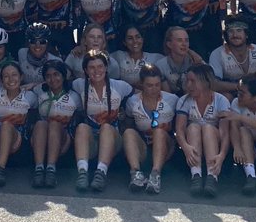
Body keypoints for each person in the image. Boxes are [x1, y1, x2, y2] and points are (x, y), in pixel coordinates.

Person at [73, 50, 132, 192]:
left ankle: (101, 172)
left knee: (106, 128)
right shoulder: (79, 85)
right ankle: (82, 172)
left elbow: (138, 95)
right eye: (92, 68)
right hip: (91, 141)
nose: (96, 71)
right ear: (86, 70)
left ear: (106, 68)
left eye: (100, 66)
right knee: (81, 127)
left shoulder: (120, 86)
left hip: (113, 140)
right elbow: (59, 85)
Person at [174, 63, 230, 197]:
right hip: (193, 143)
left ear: (205, 82)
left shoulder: (221, 100)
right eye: (187, 81)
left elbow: (225, 134)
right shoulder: (184, 101)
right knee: (193, 127)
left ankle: (212, 177)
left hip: (213, 141)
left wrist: (222, 155)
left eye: (193, 81)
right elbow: (179, 129)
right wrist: (186, 148)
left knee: (208, 128)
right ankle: (196, 175)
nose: (189, 85)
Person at [120, 63, 177, 193]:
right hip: (144, 148)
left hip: (165, 147)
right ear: (142, 84)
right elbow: (128, 125)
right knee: (129, 132)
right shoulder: (133, 102)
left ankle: (155, 175)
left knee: (158, 131)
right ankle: (136, 173)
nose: (154, 89)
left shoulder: (172, 100)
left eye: (157, 85)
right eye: (149, 85)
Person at [0, 61, 36, 187]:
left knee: (6, 125)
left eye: (14, 75)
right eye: (6, 76)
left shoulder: (30, 96)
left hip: (18, 139)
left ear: (21, 77)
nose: (10, 79)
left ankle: (0, 168)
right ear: (1, 80)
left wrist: (34, 84)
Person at [30, 59, 80, 188]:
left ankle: (51, 169)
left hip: (63, 138)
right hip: (41, 137)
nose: (53, 79)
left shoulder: (74, 96)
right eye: (48, 76)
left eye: (56, 74)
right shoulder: (39, 92)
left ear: (63, 76)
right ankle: (39, 168)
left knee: (54, 124)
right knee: (41, 124)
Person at [208, 19, 256, 97]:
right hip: (231, 93)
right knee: (226, 96)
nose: (235, 35)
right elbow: (214, 84)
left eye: (239, 30)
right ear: (226, 35)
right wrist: (241, 87)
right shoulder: (217, 54)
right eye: (230, 31)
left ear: (246, 34)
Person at [17, 24, 57, 88]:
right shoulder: (21, 53)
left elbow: (60, 82)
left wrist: (34, 85)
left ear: (47, 43)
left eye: (42, 41)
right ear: (28, 42)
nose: (37, 45)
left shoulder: (55, 61)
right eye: (33, 41)